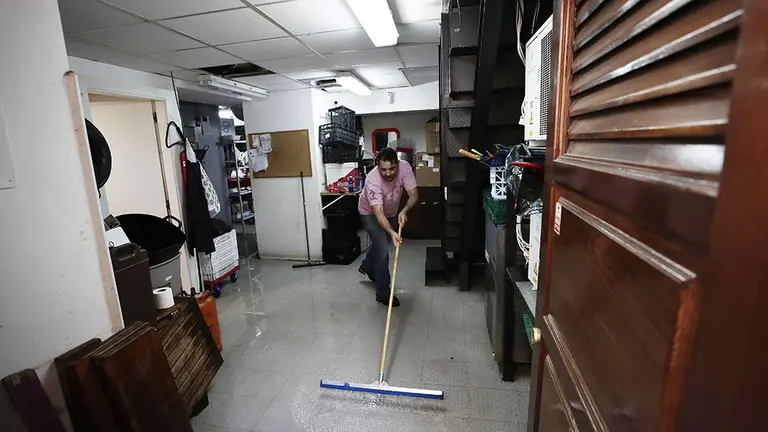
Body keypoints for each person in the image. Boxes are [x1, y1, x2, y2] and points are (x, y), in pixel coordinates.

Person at [358, 147, 419, 307]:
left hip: (391, 211)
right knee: (383, 252)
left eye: (392, 168)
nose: (388, 173)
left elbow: (414, 194)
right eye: (383, 169)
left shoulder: (405, 167)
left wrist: (404, 210)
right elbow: (378, 213)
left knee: (380, 243)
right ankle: (383, 294)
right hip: (369, 213)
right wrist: (392, 231)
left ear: (397, 164)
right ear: (378, 165)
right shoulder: (372, 180)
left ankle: (366, 266)